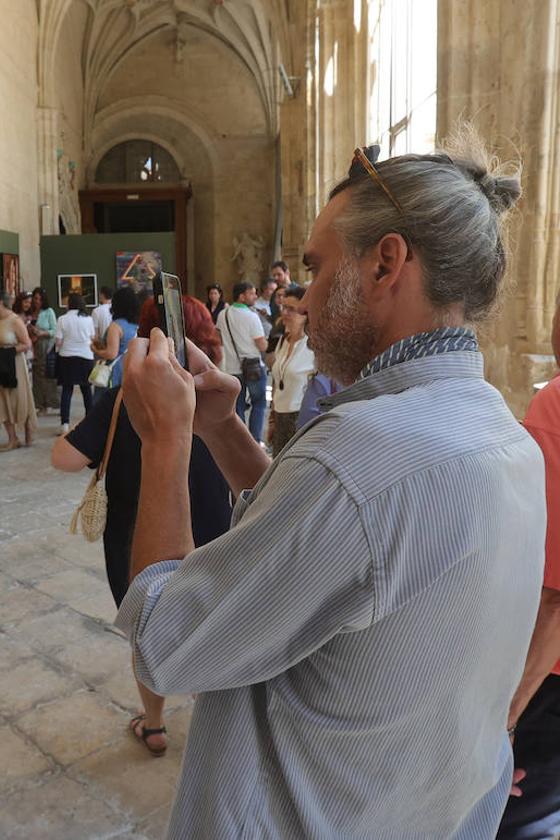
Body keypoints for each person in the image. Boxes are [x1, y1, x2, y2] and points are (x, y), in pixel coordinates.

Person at [115, 137, 540, 837]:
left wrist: (164, 442)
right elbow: (331, 558)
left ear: (386, 263)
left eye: (315, 268)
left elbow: (164, 645)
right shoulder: (506, 436)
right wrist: (223, 432)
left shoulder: (359, 454)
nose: (303, 297)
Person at [52, 293, 231, 759]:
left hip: (139, 530)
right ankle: (211, 721)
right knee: (206, 626)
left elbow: (65, 458)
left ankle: (154, 724)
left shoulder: (125, 397)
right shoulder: (216, 388)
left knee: (149, 623)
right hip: (214, 526)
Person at [498, 299, 560, 839]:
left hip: (548, 681)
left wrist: (505, 721)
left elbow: (554, 598)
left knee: (511, 819)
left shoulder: (557, 406)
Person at [216, 281, 268, 442]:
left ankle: (240, 440)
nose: (255, 296)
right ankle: (254, 440)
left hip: (232, 368)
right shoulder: (252, 317)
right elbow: (262, 345)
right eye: (252, 293)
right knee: (258, 403)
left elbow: (219, 339)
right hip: (253, 368)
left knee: (237, 406)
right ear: (242, 296)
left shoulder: (222, 314)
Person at [0, 292, 35, 450]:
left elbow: (27, 344)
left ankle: (27, 431)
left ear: (1, 302)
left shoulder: (15, 321)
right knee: (0, 400)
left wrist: (4, 351)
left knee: (16, 399)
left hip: (14, 364)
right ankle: (12, 438)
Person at [266, 287, 314, 454]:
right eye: (283, 307)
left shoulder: (313, 347)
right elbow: (276, 381)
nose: (284, 313)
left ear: (305, 313)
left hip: (300, 419)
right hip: (280, 417)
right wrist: (272, 421)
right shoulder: (282, 342)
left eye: (291, 309)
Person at [53, 292, 97, 435]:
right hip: (86, 357)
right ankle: (90, 422)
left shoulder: (62, 319)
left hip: (67, 357)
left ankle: (64, 424)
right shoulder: (88, 319)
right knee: (86, 391)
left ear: (69, 303)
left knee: (67, 391)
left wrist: (58, 349)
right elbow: (93, 338)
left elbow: (58, 342)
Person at [92, 287, 139, 389]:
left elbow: (111, 353)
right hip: (131, 369)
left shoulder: (116, 326)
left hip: (114, 373)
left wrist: (95, 350)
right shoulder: (136, 325)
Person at [28, 288, 58, 415]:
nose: (37, 301)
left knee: (46, 375)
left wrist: (41, 333)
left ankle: (49, 403)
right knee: (36, 377)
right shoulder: (30, 312)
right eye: (35, 299)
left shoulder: (48, 312)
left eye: (39, 299)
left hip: (45, 346)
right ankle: (38, 403)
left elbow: (54, 331)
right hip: (32, 346)